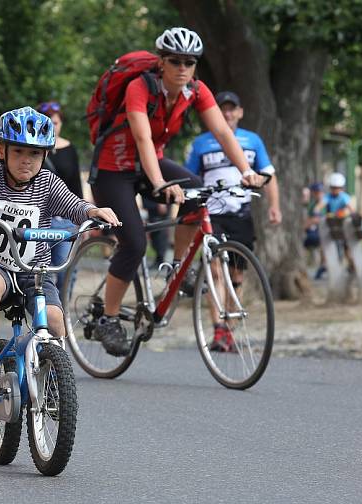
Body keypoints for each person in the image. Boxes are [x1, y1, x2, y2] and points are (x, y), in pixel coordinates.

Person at [89, 27, 263, 357]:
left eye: (189, 62)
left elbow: (225, 133)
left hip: (149, 163)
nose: (182, 68)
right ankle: (108, 319)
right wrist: (159, 185)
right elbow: (141, 139)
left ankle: (179, 267)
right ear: (161, 62)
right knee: (135, 243)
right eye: (175, 61)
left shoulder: (195, 90)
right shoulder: (140, 87)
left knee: (198, 192)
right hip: (114, 169)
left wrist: (248, 172)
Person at [0, 106, 120, 397]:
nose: (26, 160)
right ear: (0, 149)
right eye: (18, 151)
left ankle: (55, 375)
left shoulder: (47, 183)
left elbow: (73, 205)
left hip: (34, 270)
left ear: (45, 155)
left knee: (57, 321)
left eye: (34, 154)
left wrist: (93, 210)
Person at [185, 90, 281, 351]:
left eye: (232, 109)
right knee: (215, 269)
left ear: (240, 112)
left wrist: (274, 206)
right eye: (222, 109)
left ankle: (230, 330)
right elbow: (189, 177)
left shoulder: (253, 141)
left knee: (237, 274)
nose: (227, 113)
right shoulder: (201, 143)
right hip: (212, 214)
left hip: (241, 214)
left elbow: (269, 174)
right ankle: (217, 329)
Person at [37, 101, 83, 288]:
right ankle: (45, 312)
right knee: (40, 272)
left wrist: (81, 217)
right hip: (38, 220)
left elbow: (75, 184)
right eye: (47, 122)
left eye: (55, 123)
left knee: (66, 272)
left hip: (65, 220)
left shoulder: (69, 148)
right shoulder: (30, 148)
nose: (52, 126)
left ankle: (63, 314)